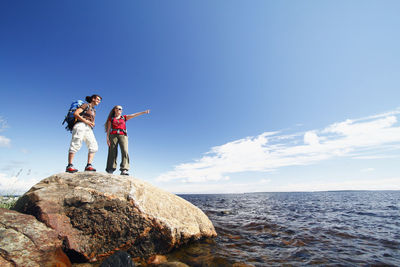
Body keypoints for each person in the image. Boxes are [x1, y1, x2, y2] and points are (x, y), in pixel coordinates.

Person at [104, 105, 150, 175]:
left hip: (123, 135)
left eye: (121, 109)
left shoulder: (124, 117)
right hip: (113, 135)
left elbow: (134, 115)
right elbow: (108, 129)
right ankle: (110, 169)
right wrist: (107, 138)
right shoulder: (111, 118)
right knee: (112, 151)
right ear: (114, 110)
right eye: (118, 109)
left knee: (125, 151)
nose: (120, 110)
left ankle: (124, 169)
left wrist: (143, 112)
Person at [66, 94, 102, 173]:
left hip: (88, 128)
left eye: (100, 100)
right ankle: (69, 165)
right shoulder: (86, 105)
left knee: (94, 146)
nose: (99, 101)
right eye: (98, 99)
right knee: (76, 143)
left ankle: (89, 165)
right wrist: (86, 121)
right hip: (80, 125)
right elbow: (76, 113)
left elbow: (92, 120)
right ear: (93, 99)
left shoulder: (94, 110)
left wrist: (92, 123)